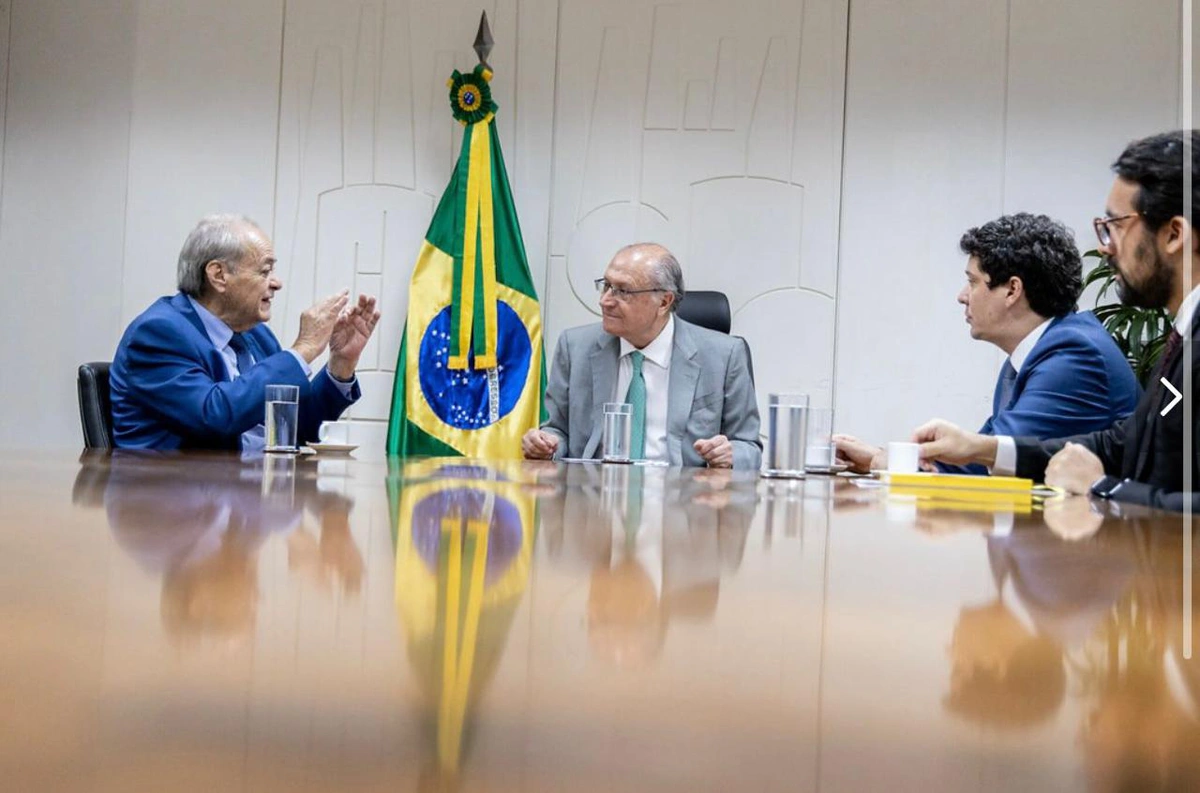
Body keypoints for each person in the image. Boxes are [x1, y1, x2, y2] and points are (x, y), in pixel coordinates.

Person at [915, 130, 1199, 512]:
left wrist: (1102, 489)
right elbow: (1125, 442)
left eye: (1116, 225)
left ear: (1174, 234)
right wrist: (984, 449)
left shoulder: (1077, 349)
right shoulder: (1184, 338)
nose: (1105, 246)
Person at [836, 213, 1140, 475]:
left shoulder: (1073, 355)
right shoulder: (1032, 354)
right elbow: (980, 458)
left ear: (1012, 290)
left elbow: (997, 459)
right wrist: (881, 458)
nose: (962, 296)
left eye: (972, 282)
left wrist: (882, 461)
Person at [110, 214, 380, 450]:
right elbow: (214, 416)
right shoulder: (159, 333)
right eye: (264, 271)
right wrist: (305, 347)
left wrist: (340, 364)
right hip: (170, 499)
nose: (276, 283)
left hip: (247, 495)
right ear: (218, 275)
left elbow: (296, 427)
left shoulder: (256, 335)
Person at [521, 243, 761, 469]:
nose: (604, 301)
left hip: (683, 501)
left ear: (664, 302)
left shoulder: (724, 356)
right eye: (606, 285)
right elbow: (558, 431)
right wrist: (546, 445)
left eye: (622, 291)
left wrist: (729, 454)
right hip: (593, 499)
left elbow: (748, 447)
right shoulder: (574, 348)